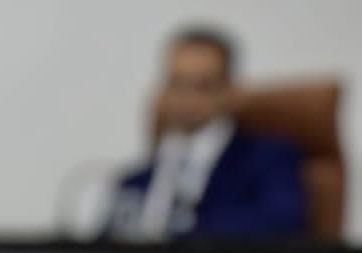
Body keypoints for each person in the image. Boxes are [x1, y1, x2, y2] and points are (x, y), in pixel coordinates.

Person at [106, 26, 307, 241]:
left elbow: (281, 221)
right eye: (177, 84)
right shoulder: (135, 181)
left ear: (230, 92)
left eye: (203, 87)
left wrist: (178, 234)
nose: (187, 99)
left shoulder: (268, 161)